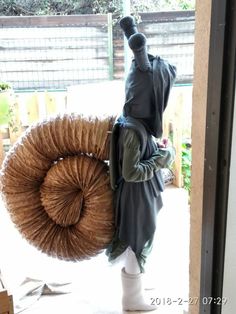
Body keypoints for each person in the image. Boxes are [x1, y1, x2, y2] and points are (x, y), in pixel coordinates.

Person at [106, 16, 177, 311]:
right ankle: (132, 300)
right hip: (136, 198)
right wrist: (162, 158)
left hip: (139, 195)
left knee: (141, 239)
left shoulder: (135, 124)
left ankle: (135, 291)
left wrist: (155, 147)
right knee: (137, 240)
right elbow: (132, 171)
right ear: (153, 98)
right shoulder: (133, 131)